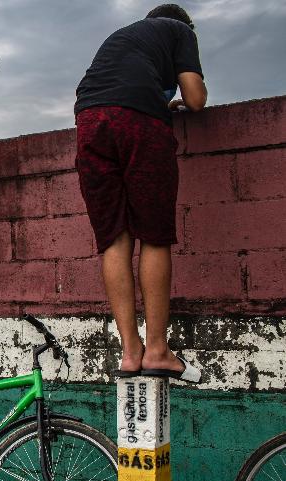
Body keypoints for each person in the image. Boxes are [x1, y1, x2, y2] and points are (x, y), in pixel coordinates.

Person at [74, 4, 206, 382]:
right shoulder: (179, 30)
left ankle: (130, 353)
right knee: (154, 235)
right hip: (136, 118)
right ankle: (159, 350)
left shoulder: (124, 38)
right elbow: (195, 98)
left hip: (88, 119)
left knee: (115, 238)